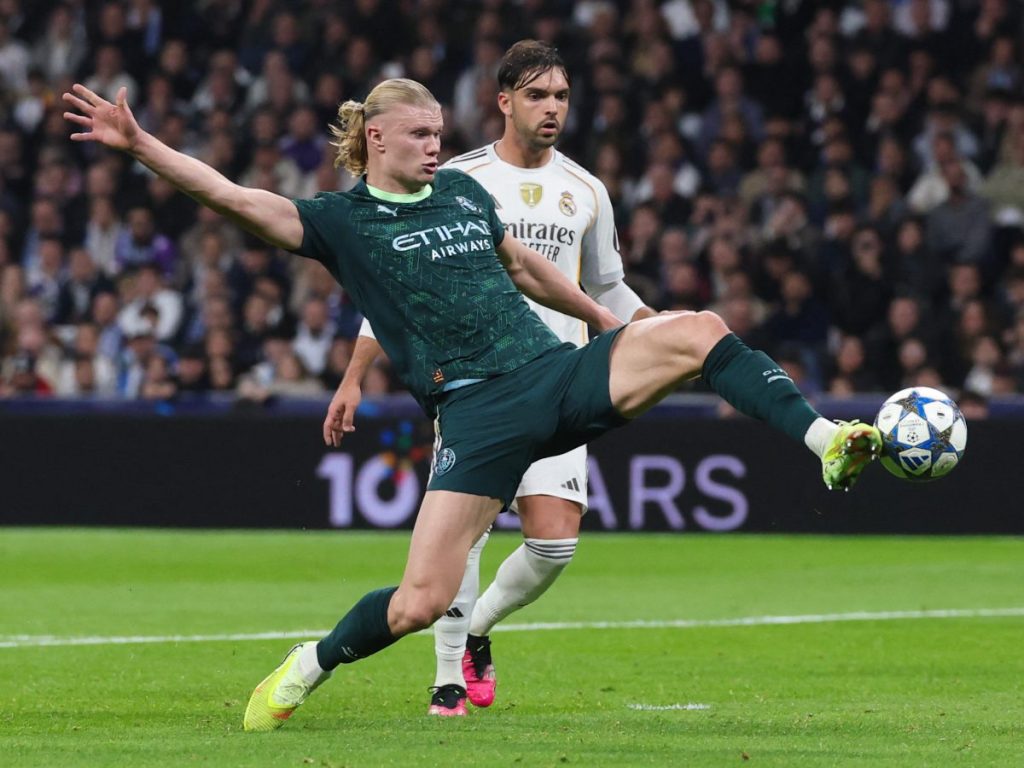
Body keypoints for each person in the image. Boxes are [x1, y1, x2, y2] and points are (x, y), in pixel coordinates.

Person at [63, 75, 881, 734]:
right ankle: (306, 666)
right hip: (476, 414)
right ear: (375, 139)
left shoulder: (461, 195)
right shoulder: (341, 220)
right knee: (421, 601)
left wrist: (602, 320)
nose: (435, 147)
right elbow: (237, 197)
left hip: (553, 372)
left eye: (439, 134)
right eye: (420, 134)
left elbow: (521, 266)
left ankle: (825, 442)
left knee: (697, 328)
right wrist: (141, 146)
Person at [329, 41, 658, 717]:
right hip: (475, 380)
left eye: (562, 96)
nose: (553, 109)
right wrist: (355, 375)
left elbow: (608, 287)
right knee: (466, 536)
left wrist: (662, 332)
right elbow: (401, 283)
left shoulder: (586, 190)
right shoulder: (456, 178)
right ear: (504, 101)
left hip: (560, 377)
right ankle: (447, 678)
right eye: (538, 95)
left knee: (555, 542)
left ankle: (476, 629)